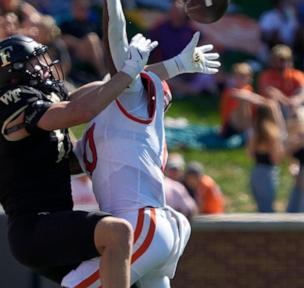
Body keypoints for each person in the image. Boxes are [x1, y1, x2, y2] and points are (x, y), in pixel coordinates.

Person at [0, 32, 159, 287]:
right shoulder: (10, 102)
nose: (45, 66)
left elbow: (103, 87)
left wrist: (171, 67)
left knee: (132, 278)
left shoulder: (41, 103)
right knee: (117, 232)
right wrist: (126, 73)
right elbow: (80, 111)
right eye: (35, 62)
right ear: (13, 72)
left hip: (54, 223)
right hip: (34, 227)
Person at [62, 0, 220, 286]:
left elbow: (116, 39)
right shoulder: (108, 122)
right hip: (153, 228)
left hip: (139, 224)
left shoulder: (129, 96)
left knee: (73, 285)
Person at [247, 102, 285, 212]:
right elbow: (275, 159)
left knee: (261, 209)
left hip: (256, 172)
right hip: (268, 174)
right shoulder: (272, 133)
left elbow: (250, 154)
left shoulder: (255, 132)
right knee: (268, 211)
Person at [164, 153, 198, 219]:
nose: (174, 172)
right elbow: (191, 209)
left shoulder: (189, 184)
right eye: (171, 169)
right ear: (166, 169)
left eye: (176, 169)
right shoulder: (177, 187)